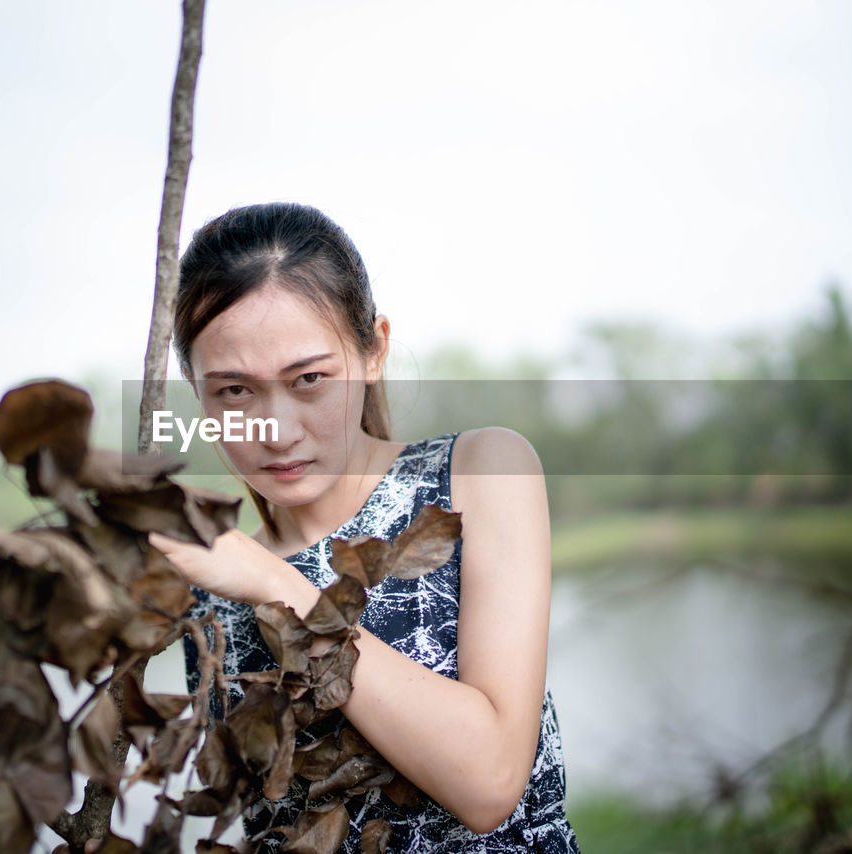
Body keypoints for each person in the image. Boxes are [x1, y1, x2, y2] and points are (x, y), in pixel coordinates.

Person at [147, 202, 580, 853]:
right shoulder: (209, 583)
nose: (278, 428)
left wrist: (279, 587)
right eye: (235, 391)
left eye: (311, 379)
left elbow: (491, 783)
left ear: (373, 349)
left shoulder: (477, 474)